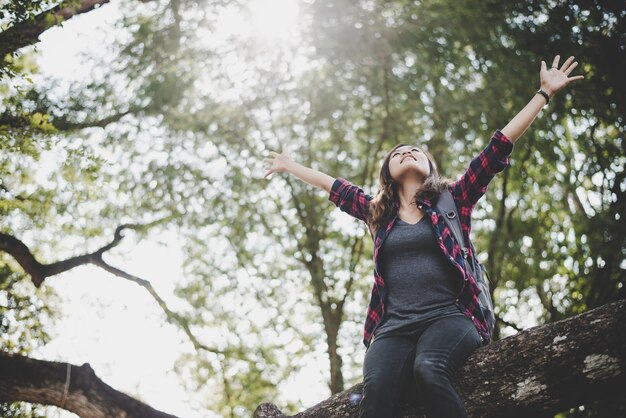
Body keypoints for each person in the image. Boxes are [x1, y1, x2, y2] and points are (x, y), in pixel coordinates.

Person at [263, 55, 583, 418]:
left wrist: (544, 92)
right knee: (377, 394)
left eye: (415, 150)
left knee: (429, 369)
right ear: (388, 173)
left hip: (450, 317)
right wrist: (290, 166)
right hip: (392, 328)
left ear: (430, 166)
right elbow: (333, 185)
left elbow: (498, 147)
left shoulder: (454, 199)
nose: (407, 151)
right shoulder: (376, 213)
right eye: (397, 153)